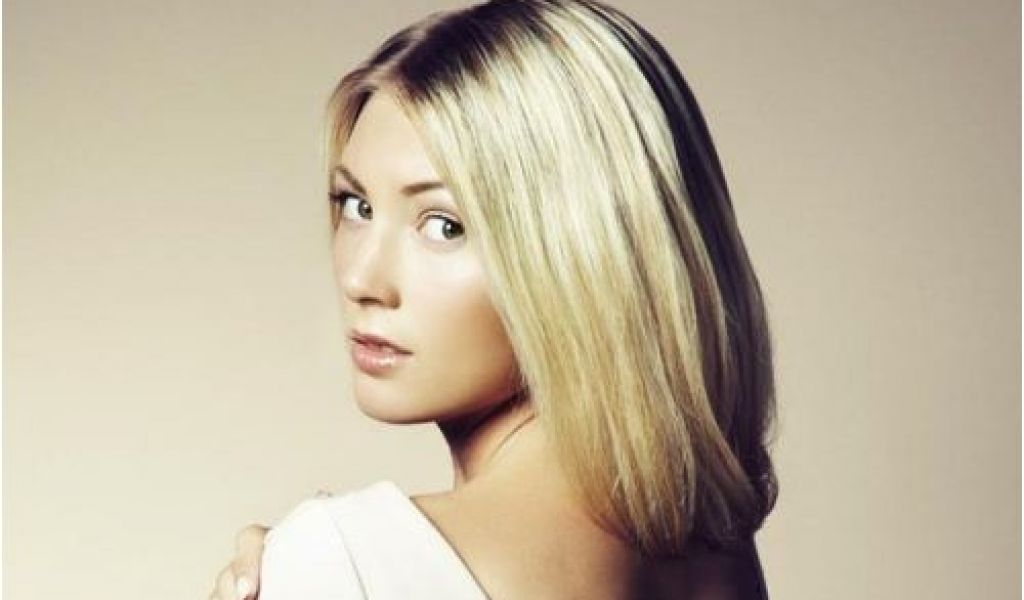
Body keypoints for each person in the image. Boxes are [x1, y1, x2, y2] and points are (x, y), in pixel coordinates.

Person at [208, 0, 777, 597]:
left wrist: (326, 563)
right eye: (357, 205)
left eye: (444, 225)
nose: (362, 280)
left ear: (585, 257)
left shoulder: (336, 558)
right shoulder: (718, 551)